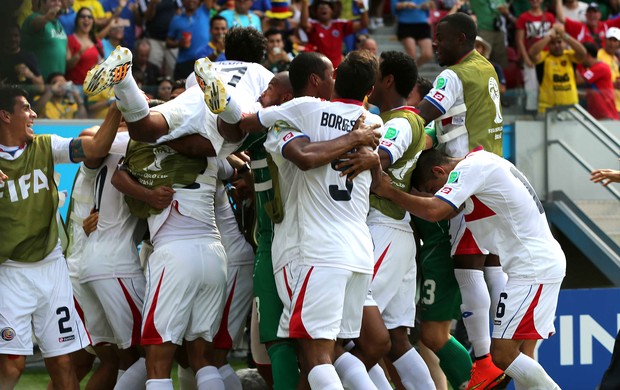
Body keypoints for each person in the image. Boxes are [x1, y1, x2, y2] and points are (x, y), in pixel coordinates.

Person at [371, 147, 566, 390]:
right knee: (520, 354)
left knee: (503, 355)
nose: (437, 195)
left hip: (533, 268)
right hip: (531, 267)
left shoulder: (471, 168)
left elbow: (435, 210)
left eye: (434, 189)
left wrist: (390, 192)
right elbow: (446, 210)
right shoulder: (485, 164)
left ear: (439, 171)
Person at [255, 50, 383, 390]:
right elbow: (380, 186)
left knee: (316, 357)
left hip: (316, 250)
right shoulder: (371, 122)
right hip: (358, 250)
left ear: (336, 77)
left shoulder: (303, 111)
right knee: (338, 351)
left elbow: (249, 123)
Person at [0, 85, 122, 389]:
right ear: (5, 116)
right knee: (12, 366)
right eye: (26, 108)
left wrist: (118, 106)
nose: (33, 114)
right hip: (8, 273)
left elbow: (94, 149)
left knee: (64, 362)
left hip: (51, 267)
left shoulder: (45, 146)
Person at [415, 12, 506, 390]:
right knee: (490, 261)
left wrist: (392, 134)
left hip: (467, 179)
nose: (435, 44)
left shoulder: (452, 75)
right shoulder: (484, 67)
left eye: (441, 38)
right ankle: (503, 343)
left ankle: (485, 360)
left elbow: (423, 115)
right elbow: (451, 122)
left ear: (462, 38)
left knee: (467, 264)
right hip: (494, 171)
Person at [361, 50, 435, 390]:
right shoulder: (402, 119)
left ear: (387, 80)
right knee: (396, 338)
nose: (369, 83)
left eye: (374, 75)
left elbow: (381, 158)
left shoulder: (401, 121)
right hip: (398, 231)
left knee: (355, 333)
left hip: (384, 228)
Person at [528, 22, 586, 114]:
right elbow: (532, 53)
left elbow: (582, 53)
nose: (557, 45)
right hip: (548, 109)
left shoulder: (570, 56)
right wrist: (549, 36)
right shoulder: (543, 57)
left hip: (571, 108)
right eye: (552, 43)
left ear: (564, 43)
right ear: (548, 45)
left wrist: (564, 35)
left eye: (559, 42)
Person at [299, 0, 368, 67]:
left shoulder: (340, 24)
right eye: (320, 7)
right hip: (318, 67)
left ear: (332, 10)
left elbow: (363, 25)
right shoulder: (313, 25)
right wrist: (305, 2)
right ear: (316, 11)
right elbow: (304, 24)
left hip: (337, 67)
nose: (323, 8)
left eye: (327, 7)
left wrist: (362, 8)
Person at [515, 0, 556, 113]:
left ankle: (549, 110)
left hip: (548, 57)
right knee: (531, 87)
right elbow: (519, 40)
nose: (535, 1)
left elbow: (554, 38)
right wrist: (526, 58)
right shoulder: (523, 17)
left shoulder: (549, 16)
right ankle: (531, 112)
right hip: (531, 57)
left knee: (548, 85)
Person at [20, 0, 69, 80]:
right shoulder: (33, 18)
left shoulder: (59, 24)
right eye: (53, 1)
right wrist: (47, 17)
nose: (57, 3)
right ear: (42, 2)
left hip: (56, 83)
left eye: (59, 1)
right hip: (37, 82)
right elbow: (35, 24)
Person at [166, 0, 212, 80]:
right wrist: (178, 43)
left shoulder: (204, 11)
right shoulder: (176, 20)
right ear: (182, 2)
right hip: (184, 62)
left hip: (204, 61)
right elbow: (168, 42)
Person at [0, 23, 45, 98]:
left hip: (26, 103)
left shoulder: (29, 57)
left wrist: (30, 75)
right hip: (5, 104)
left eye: (15, 36)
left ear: (20, 38)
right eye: (9, 36)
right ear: (4, 37)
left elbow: (41, 88)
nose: (12, 39)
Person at [139, 0, 183, 77]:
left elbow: (179, 12)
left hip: (172, 40)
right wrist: (153, 3)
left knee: (172, 71)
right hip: (153, 39)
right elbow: (147, 17)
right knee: (152, 71)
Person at [577, 42, 619, 119]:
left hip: (607, 116)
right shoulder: (592, 69)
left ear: (587, 55)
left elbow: (578, 80)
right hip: (598, 116)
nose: (579, 60)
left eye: (580, 56)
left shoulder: (600, 67)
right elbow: (591, 94)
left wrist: (573, 63)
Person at [66, 7, 104, 86]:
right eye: (83, 17)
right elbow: (67, 66)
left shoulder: (97, 42)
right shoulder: (70, 40)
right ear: (77, 21)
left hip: (94, 87)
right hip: (76, 87)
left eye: (89, 17)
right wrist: (78, 55)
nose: (86, 19)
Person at [392, 0, 433, 65]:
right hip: (405, 24)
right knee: (412, 55)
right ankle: (411, 72)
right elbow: (394, 7)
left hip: (422, 23)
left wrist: (427, 6)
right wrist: (406, 4)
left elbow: (431, 5)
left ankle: (411, 71)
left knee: (427, 54)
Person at [597, 27, 620, 116]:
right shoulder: (599, 55)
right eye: (610, 39)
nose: (612, 43)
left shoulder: (615, 59)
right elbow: (596, 81)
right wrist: (613, 84)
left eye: (615, 40)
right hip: (606, 105)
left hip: (616, 104)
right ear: (605, 40)